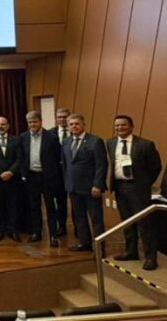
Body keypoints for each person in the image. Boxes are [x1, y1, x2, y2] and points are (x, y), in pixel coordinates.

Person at [107, 115, 162, 270]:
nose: (120, 128)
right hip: (120, 187)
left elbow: (156, 167)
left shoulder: (145, 144)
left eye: (123, 125)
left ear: (132, 126)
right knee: (127, 222)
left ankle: (150, 257)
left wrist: (144, 184)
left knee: (145, 224)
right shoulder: (110, 143)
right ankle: (131, 251)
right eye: (117, 125)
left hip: (138, 189)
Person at [62, 114, 108, 252]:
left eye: (77, 124)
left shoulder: (95, 141)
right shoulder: (66, 141)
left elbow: (101, 165)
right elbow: (65, 165)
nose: (74, 126)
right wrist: (67, 183)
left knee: (96, 219)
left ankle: (100, 248)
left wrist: (97, 185)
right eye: (71, 124)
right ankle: (84, 243)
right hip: (73, 188)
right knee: (79, 217)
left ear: (83, 125)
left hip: (91, 188)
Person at [18, 111, 62, 248]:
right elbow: (21, 157)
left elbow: (57, 158)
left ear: (40, 121)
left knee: (50, 207)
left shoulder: (52, 137)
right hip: (31, 176)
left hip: (47, 177)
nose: (33, 124)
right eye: (30, 122)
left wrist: (54, 176)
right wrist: (23, 174)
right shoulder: (23, 137)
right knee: (34, 206)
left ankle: (53, 235)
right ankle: (37, 233)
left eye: (35, 121)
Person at [49, 108, 72, 236]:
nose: (62, 119)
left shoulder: (76, 131)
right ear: (56, 118)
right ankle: (62, 226)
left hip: (73, 173)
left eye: (65, 117)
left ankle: (79, 229)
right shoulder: (49, 134)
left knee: (76, 203)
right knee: (60, 202)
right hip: (57, 174)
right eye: (59, 117)